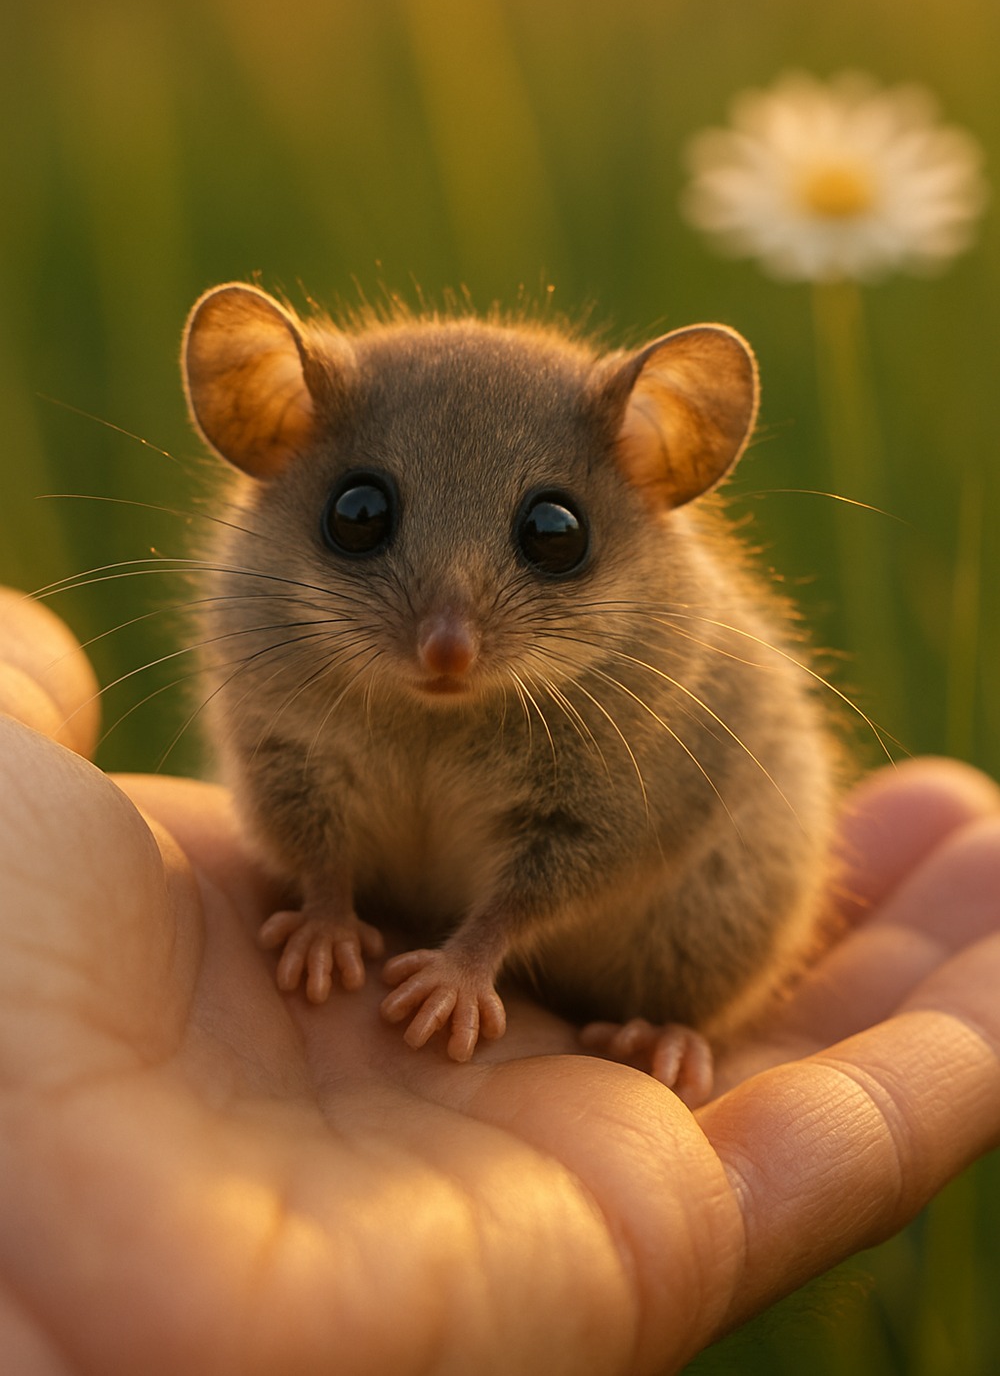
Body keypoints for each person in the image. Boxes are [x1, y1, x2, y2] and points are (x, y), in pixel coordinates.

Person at [1, 585, 999, 1376]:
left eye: (548, 540)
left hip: (655, 922)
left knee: (729, 854)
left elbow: (618, 822)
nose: (446, 636)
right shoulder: (264, 614)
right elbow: (285, 771)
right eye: (363, 523)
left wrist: (480, 949)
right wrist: (323, 896)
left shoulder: (666, 660)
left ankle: (671, 1019)